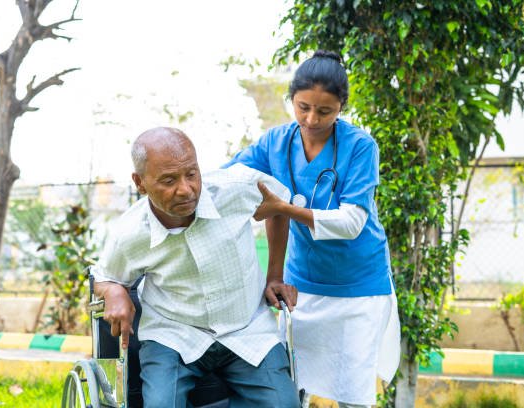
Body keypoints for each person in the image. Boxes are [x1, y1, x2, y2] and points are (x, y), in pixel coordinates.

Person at [224, 50, 401, 408]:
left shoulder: (361, 147)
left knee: (354, 394)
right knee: (293, 386)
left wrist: (285, 208)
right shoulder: (275, 143)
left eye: (325, 111)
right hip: (302, 285)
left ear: (341, 108)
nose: (311, 119)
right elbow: (229, 178)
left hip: (359, 285)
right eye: (302, 106)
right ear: (291, 98)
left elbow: (352, 222)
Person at [92, 126, 300, 408]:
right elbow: (104, 276)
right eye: (168, 180)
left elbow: (279, 205)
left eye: (191, 174)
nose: (185, 189)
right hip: (174, 333)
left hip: (246, 327)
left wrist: (275, 275)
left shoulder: (235, 188)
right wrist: (114, 291)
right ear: (140, 183)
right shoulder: (129, 234)